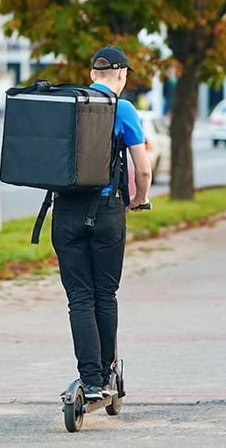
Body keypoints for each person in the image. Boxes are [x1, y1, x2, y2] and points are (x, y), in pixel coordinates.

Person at [52, 46, 152, 400]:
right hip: (108, 211)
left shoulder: (68, 105)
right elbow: (142, 168)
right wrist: (139, 200)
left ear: (92, 74)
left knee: (79, 297)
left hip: (65, 212)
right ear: (122, 75)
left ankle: (89, 380)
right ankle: (107, 373)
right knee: (104, 294)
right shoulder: (121, 109)